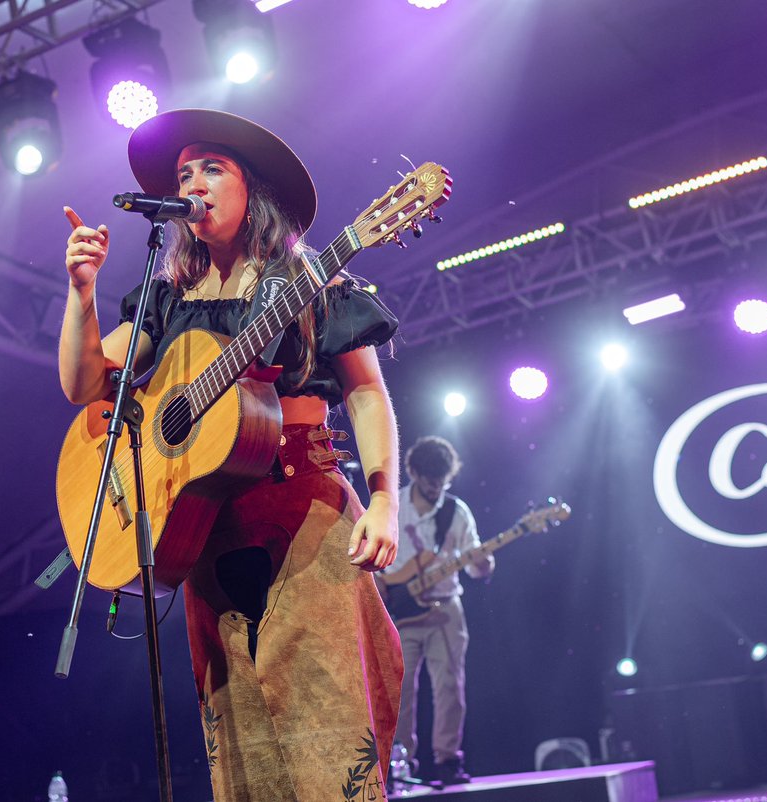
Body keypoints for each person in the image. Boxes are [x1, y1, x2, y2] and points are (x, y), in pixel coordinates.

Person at [60, 108, 404, 801]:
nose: (194, 184)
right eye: (184, 173)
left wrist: (386, 499)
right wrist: (82, 293)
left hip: (301, 517)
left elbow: (366, 392)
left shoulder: (312, 282)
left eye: (212, 168)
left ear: (257, 193)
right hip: (204, 530)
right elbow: (85, 385)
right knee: (244, 754)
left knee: (329, 737)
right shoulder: (169, 299)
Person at [387, 436, 493, 786]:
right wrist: (386, 589)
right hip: (399, 611)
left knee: (450, 687)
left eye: (443, 480)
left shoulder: (456, 511)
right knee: (400, 692)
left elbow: (474, 560)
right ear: (413, 472)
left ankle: (448, 760)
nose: (436, 487)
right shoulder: (393, 505)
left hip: (446, 609)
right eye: (430, 480)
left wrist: (482, 565)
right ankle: (400, 765)